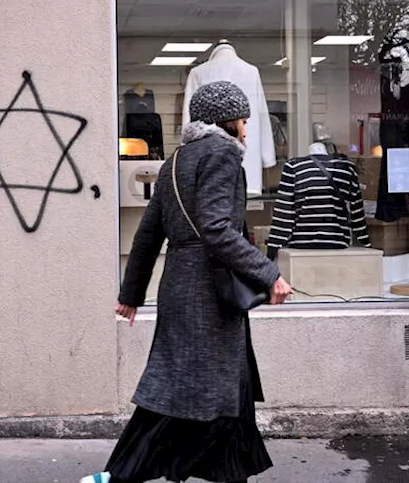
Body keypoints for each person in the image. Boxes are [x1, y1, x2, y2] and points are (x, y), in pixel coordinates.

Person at [84, 81, 293, 483]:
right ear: (226, 120)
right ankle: (120, 475)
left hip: (180, 286)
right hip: (208, 292)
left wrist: (131, 294)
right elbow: (216, 228)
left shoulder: (177, 160)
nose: (247, 128)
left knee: (209, 385)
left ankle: (227, 470)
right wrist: (269, 274)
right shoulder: (223, 154)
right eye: (244, 119)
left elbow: (148, 235)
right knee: (192, 390)